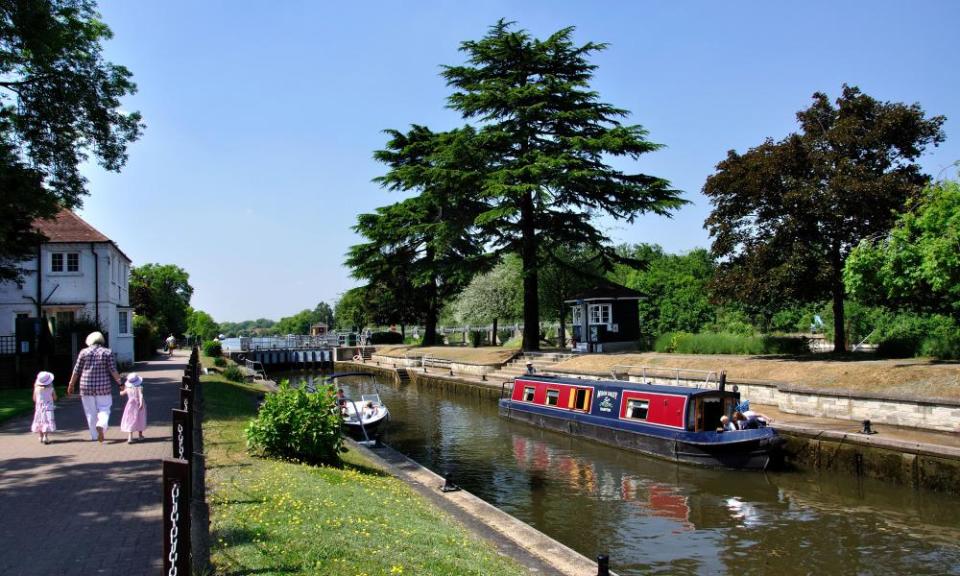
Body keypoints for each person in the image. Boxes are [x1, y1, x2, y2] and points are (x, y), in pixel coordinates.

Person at [68, 331, 122, 442]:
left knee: (90, 412)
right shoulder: (107, 352)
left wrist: (71, 384)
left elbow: (76, 370)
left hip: (86, 386)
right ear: (102, 340)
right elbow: (113, 370)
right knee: (105, 408)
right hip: (103, 387)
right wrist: (120, 383)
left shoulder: (84, 352)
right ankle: (101, 424)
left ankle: (94, 436)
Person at [119, 373, 147, 444]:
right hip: (139, 405)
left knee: (130, 419)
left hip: (130, 405)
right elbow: (141, 395)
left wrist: (121, 388)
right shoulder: (140, 387)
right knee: (140, 418)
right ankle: (140, 435)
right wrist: (141, 403)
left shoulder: (128, 388)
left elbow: (121, 393)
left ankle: (130, 437)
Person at [31, 371, 57, 444]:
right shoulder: (51, 389)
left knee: (40, 421)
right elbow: (55, 398)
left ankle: (40, 436)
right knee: (46, 421)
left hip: (39, 408)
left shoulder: (36, 389)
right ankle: (45, 436)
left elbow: (34, 399)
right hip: (48, 408)